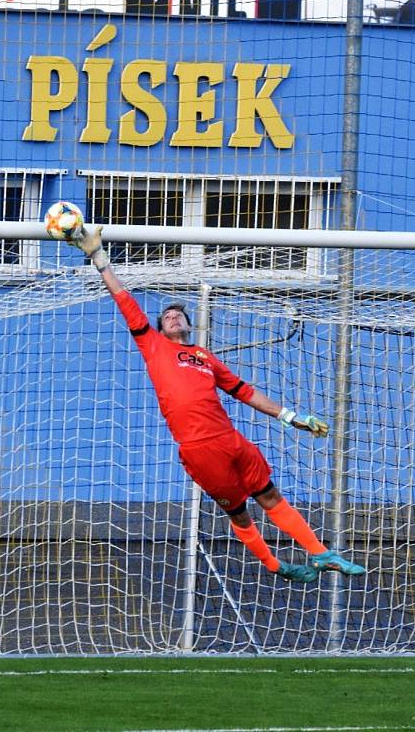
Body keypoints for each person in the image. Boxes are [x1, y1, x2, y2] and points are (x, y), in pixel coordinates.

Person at [68, 228, 365, 582]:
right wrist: (99, 258)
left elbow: (244, 391)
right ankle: (276, 565)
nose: (174, 317)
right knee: (240, 514)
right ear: (160, 329)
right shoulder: (153, 347)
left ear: (191, 326)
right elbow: (124, 300)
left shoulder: (204, 356)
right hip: (198, 449)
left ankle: (320, 553)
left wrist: (290, 416)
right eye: (167, 317)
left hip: (231, 439)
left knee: (270, 495)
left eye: (180, 315)